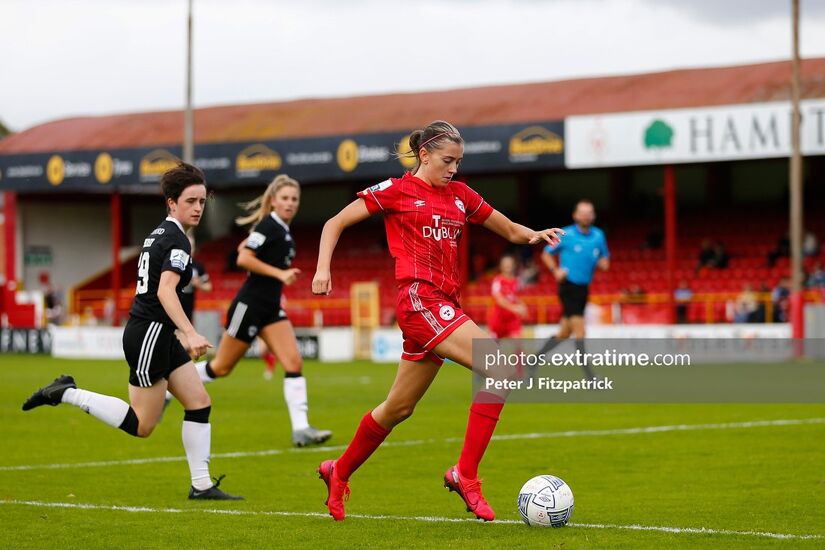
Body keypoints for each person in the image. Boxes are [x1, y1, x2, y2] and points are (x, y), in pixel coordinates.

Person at [311, 120, 563, 522]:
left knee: (398, 408)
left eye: (458, 162)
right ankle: (466, 475)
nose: (453, 169)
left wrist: (535, 234)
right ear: (423, 154)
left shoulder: (460, 195)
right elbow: (334, 222)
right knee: (500, 369)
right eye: (447, 160)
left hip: (442, 305)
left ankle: (338, 470)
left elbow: (510, 229)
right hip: (418, 301)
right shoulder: (396, 190)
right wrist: (323, 268)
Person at [22, 162, 242, 500]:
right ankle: (66, 392)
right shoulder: (178, 241)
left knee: (199, 402)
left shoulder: (162, 234)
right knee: (142, 425)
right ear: (172, 203)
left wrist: (179, 332)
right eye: (191, 201)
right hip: (150, 335)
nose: (198, 208)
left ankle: (201, 485)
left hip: (158, 332)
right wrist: (190, 332)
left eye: (202, 201)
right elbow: (165, 292)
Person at [168, 174, 331, 447]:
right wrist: (280, 275)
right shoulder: (270, 225)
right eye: (285, 198)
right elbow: (243, 257)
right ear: (274, 201)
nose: (290, 203)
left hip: (269, 308)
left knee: (293, 362)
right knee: (221, 367)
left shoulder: (279, 229)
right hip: (250, 305)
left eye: (294, 199)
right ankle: (168, 385)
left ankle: (301, 429)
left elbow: (246, 247)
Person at [536, 199, 609, 376]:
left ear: (593, 216)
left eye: (589, 212)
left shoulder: (598, 236)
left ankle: (532, 361)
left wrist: (600, 260)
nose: (586, 215)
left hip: (583, 289)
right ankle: (590, 376)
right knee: (580, 331)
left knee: (563, 333)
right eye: (582, 212)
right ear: (575, 215)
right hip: (568, 288)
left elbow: (605, 262)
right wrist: (555, 270)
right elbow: (546, 254)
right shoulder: (566, 234)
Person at [488, 255, 528, 339]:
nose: (508, 266)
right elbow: (499, 300)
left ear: (513, 265)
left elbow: (514, 297)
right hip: (498, 318)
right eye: (505, 264)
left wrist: (523, 305)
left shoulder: (517, 281)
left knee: (518, 344)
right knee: (492, 348)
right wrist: (514, 308)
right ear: (501, 266)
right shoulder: (497, 281)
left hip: (512, 319)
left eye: (510, 264)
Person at [180, 234, 212, 321]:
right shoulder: (174, 263)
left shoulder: (197, 266)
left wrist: (198, 284)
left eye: (192, 246)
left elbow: (208, 287)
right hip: (175, 301)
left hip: (189, 303)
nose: (190, 249)